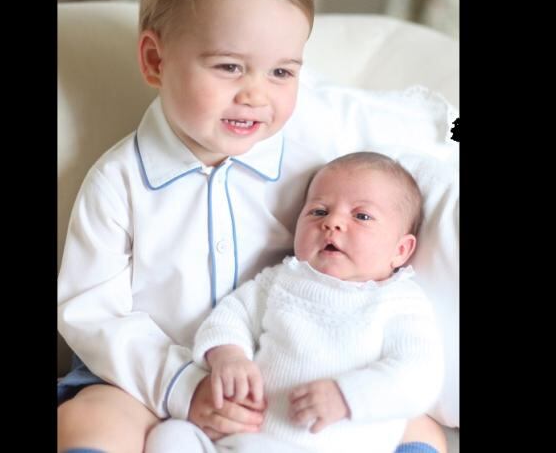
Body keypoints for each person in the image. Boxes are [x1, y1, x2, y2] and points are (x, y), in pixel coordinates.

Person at [56, 0, 448, 453]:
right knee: (89, 420)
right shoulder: (118, 181)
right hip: (147, 378)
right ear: (155, 60)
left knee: (418, 423)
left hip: (291, 372)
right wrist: (184, 386)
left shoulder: (316, 138)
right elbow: (92, 312)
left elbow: (422, 123)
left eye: (282, 72)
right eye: (230, 67)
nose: (256, 95)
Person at [144, 152, 442, 453]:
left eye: (361, 216)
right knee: (171, 435)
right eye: (318, 211)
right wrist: (229, 356)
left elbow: (419, 376)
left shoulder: (399, 302)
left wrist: (347, 396)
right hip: (242, 441)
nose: (333, 222)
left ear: (400, 250)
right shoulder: (281, 279)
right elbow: (232, 315)